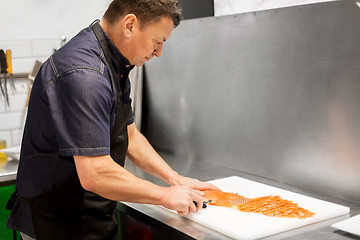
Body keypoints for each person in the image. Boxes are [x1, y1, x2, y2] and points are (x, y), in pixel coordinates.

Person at [6, 0, 219, 239]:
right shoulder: (84, 74)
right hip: (56, 225)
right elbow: (95, 173)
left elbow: (130, 136)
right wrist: (165, 195)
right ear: (129, 25)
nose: (159, 53)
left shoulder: (115, 63)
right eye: (157, 42)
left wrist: (176, 179)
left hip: (89, 215)